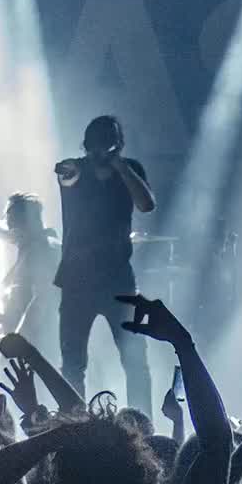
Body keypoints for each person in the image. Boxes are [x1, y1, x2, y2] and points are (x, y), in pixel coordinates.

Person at [53, 115, 157, 413]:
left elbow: (146, 204)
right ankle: (74, 427)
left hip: (118, 280)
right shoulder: (74, 167)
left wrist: (120, 166)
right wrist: (80, 166)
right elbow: (66, 175)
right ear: (88, 143)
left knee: (135, 360)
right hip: (77, 280)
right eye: (98, 140)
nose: (104, 146)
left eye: (110, 139)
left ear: (119, 143)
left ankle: (142, 423)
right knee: (73, 363)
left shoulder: (130, 170)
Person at [0, 192, 58, 335]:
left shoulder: (41, 252)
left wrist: (19, 337)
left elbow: (42, 301)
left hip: (40, 342)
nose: (7, 224)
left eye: (9, 219)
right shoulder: (36, 245)